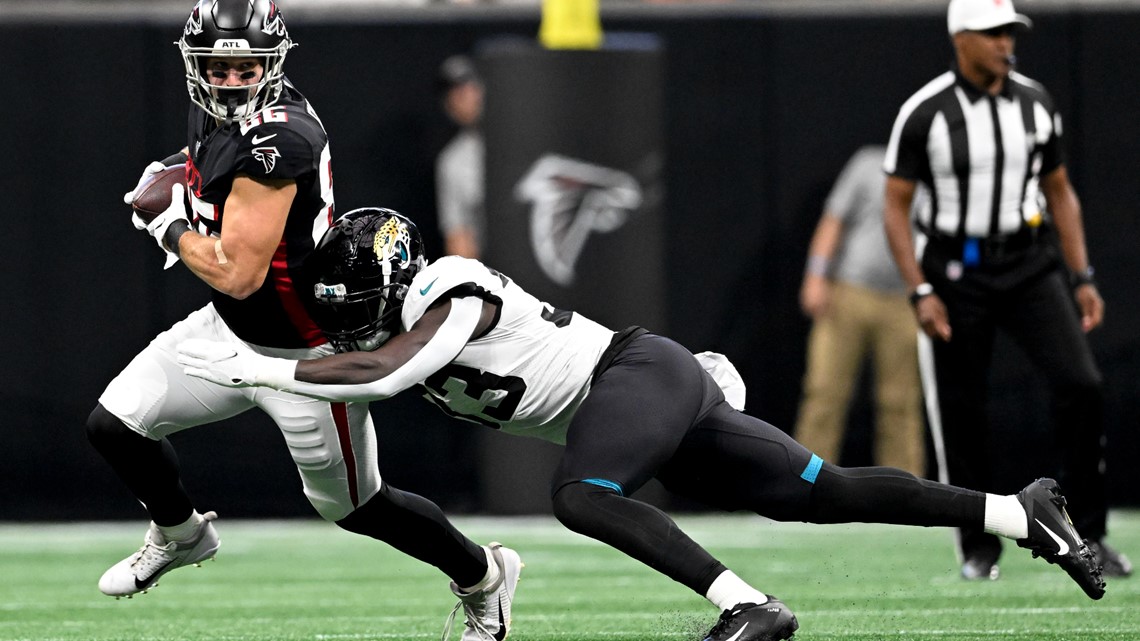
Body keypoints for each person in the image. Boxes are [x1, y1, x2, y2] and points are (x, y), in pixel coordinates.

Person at [177, 207, 1106, 641]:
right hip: (644, 395)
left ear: (396, 277)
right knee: (818, 493)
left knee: (582, 494)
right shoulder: (389, 316)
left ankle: (746, 605)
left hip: (636, 375)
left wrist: (248, 365)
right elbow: (361, 365)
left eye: (358, 304)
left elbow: (383, 369)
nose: (353, 323)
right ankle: (1024, 513)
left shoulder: (449, 288)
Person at [90, 4, 520, 639]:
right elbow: (213, 166)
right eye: (218, 67)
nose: (231, 81)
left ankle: (483, 574)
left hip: (305, 356)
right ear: (196, 65)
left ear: (273, 63)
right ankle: (181, 533)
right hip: (228, 332)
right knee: (115, 425)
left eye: (246, 68)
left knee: (358, 508)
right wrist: (176, 174)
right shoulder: (217, 111)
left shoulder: (281, 138)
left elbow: (239, 272)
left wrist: (169, 222)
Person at [882, 0, 1131, 581]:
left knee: (1082, 385)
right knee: (963, 409)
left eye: (1010, 32)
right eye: (993, 32)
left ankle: (1088, 530)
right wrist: (920, 289)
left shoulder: (1036, 102)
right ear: (961, 38)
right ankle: (978, 547)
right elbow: (895, 207)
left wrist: (1082, 275)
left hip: (1028, 262)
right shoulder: (925, 112)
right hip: (954, 271)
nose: (1005, 43)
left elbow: (1060, 190)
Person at [795, 145, 925, 476]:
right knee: (825, 392)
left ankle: (905, 495)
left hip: (904, 301)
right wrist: (815, 276)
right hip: (849, 293)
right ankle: (804, 485)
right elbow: (833, 220)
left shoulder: (940, 179)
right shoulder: (869, 164)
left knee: (901, 403)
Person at [434, 54, 486, 260]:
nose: (462, 97)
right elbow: (459, 237)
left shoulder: (531, 136)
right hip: (501, 277)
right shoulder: (453, 162)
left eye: (468, 86)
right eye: (453, 92)